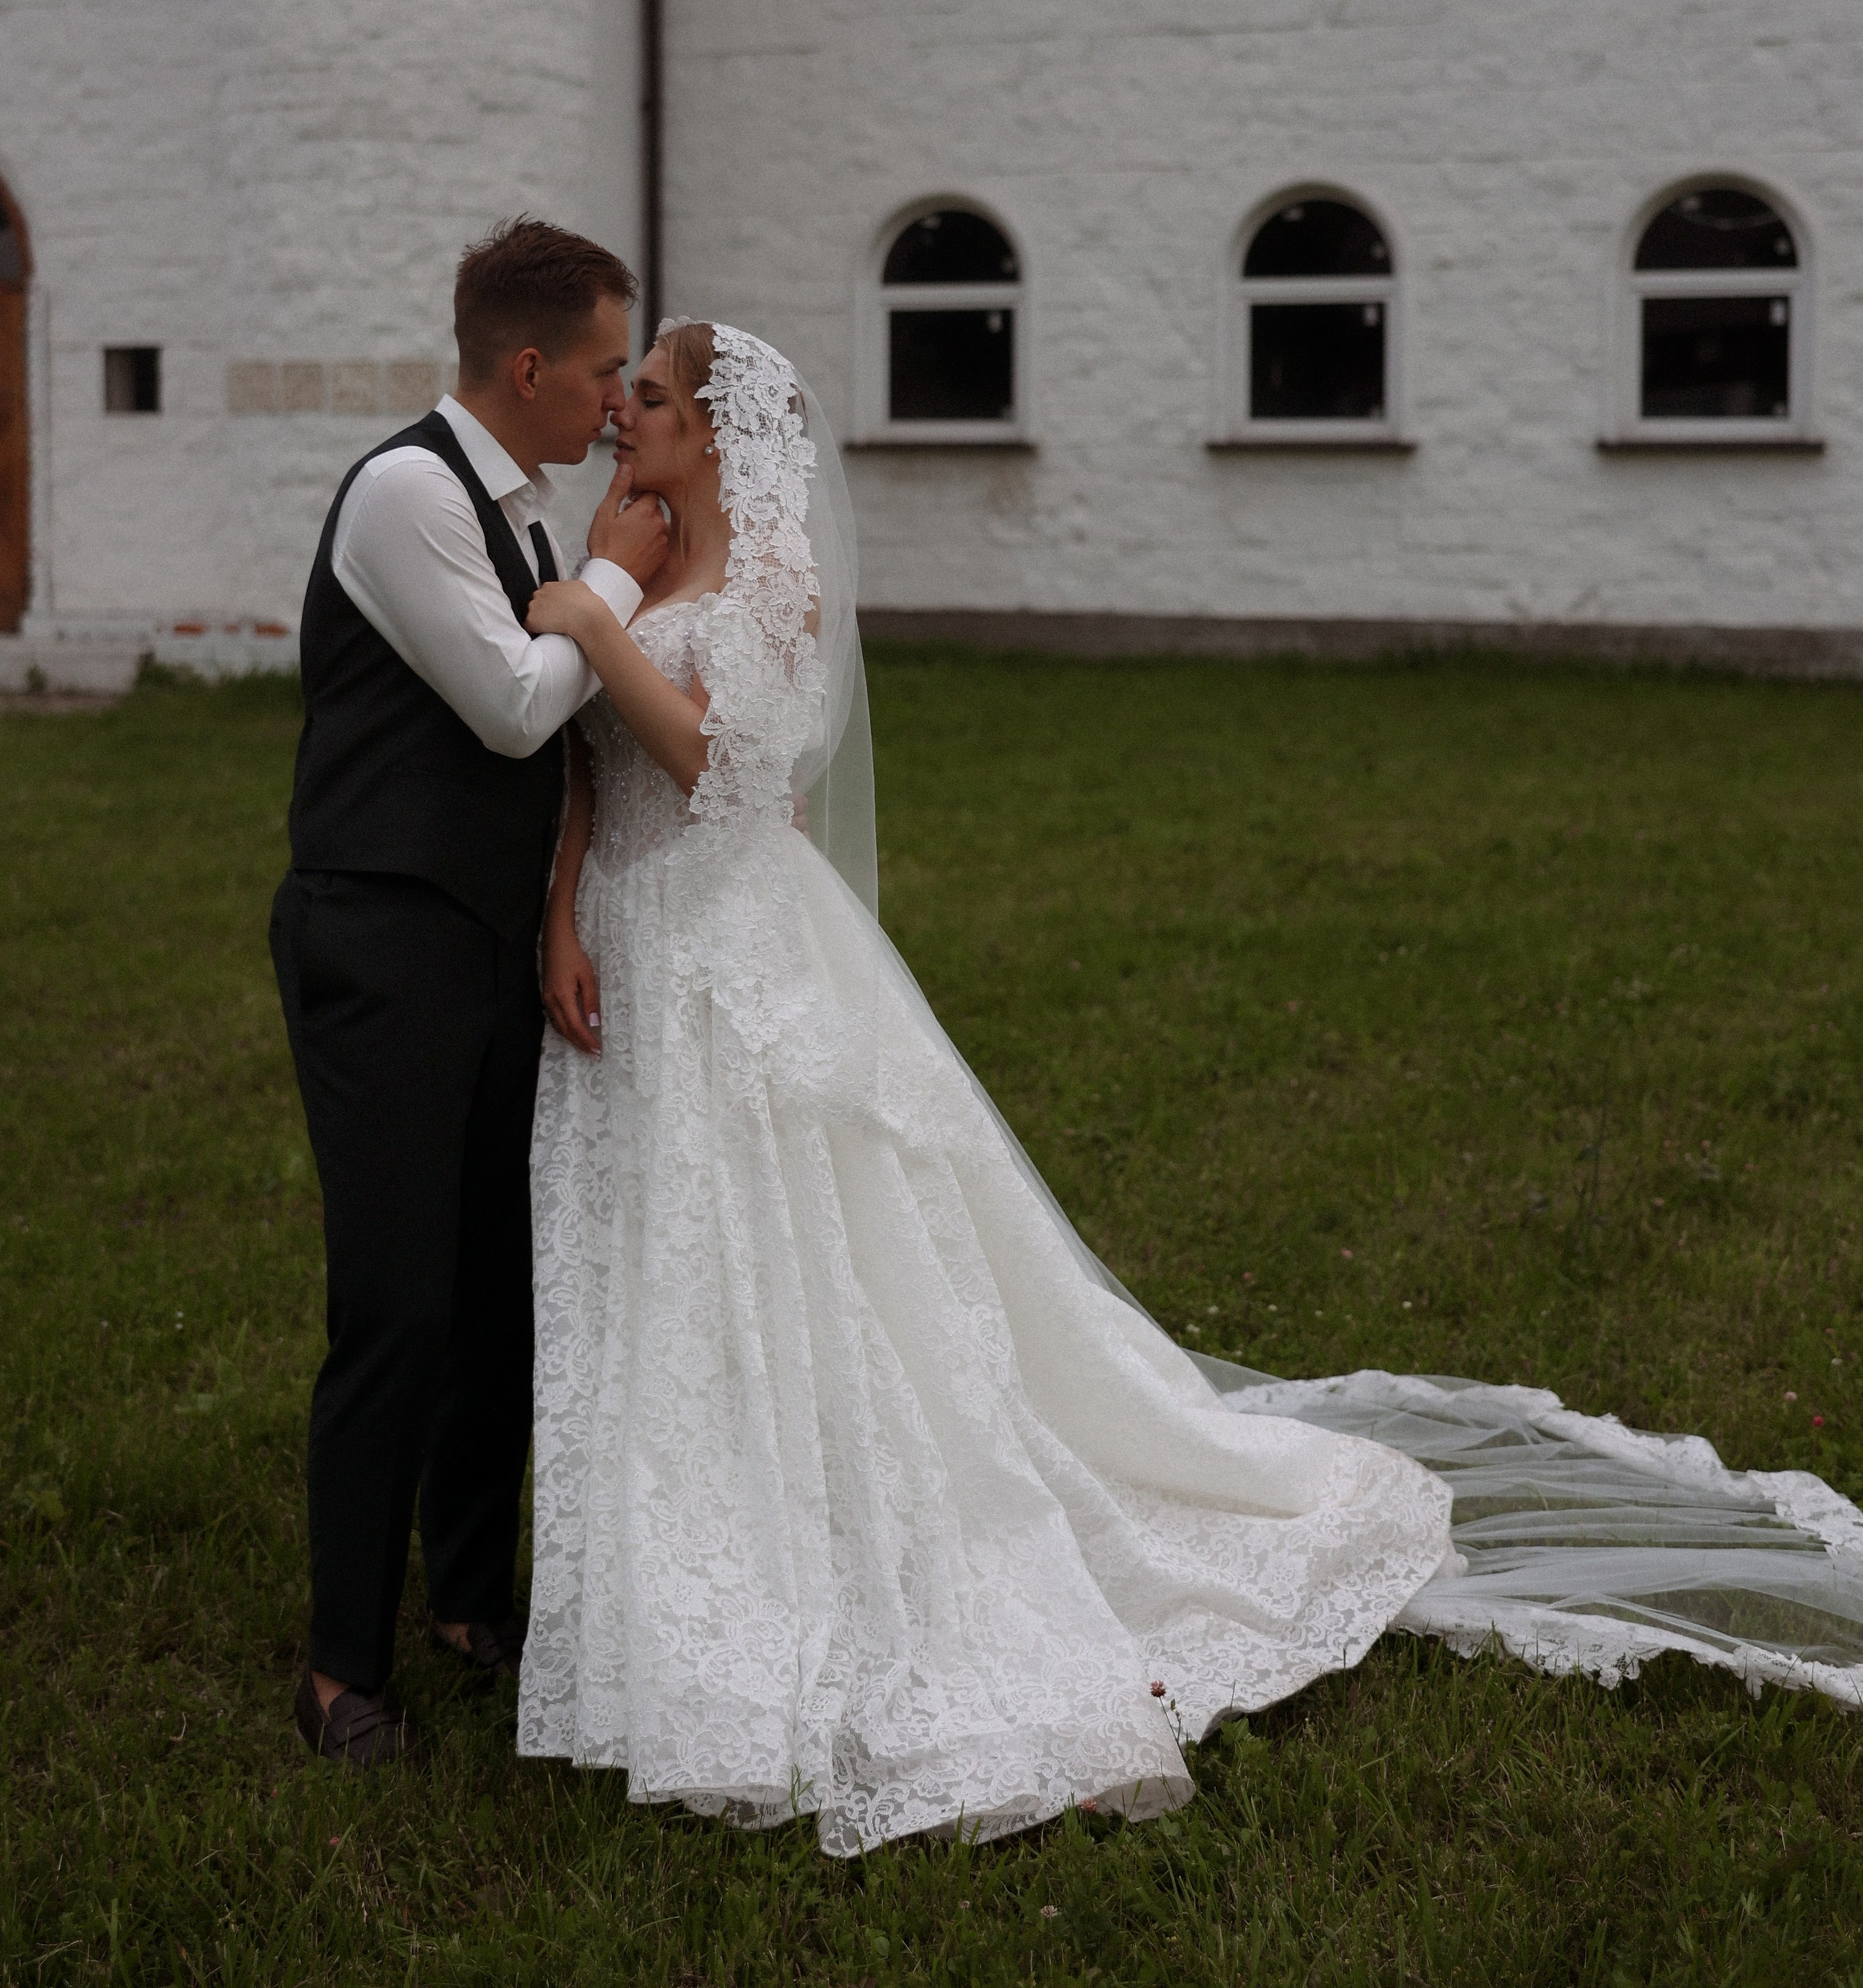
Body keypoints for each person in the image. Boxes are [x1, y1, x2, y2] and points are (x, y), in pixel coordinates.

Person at [520, 317, 1863, 1854]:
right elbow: (582, 764)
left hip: (734, 954)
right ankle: (671, 1604)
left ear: (717, 432)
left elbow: (730, 769)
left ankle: (836, 1578)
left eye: (652, 399)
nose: (624, 415)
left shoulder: (765, 584)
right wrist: (561, 904)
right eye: (624, 396)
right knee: (665, 1281)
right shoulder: (618, 549)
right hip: (625, 936)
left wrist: (599, 623)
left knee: (789, 1263)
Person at [271, 220, 669, 1770]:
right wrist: (619, 586)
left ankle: (467, 1599)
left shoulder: (520, 517)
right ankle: (339, 1666)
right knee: (399, 1304)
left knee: (501, 1287)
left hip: (489, 942)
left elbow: (558, 733)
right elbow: (515, 710)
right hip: (378, 942)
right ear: (525, 369)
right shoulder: (404, 494)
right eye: (594, 373)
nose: (610, 405)